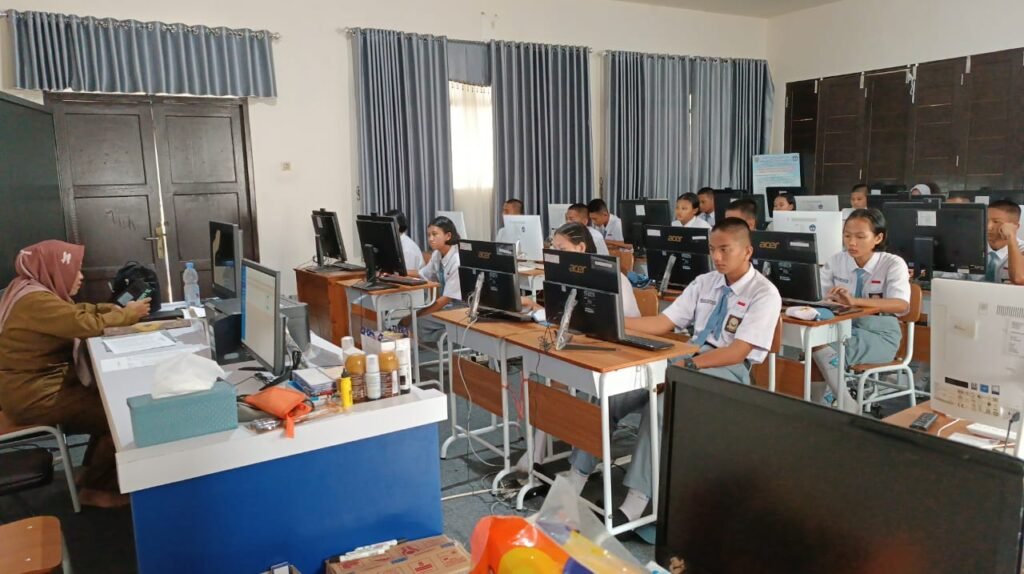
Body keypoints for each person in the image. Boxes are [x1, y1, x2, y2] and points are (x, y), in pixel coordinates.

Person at [573, 219, 781, 527]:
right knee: (610, 393)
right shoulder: (705, 282)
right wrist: (612, 321)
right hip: (686, 357)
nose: (717, 257)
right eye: (712, 249)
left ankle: (636, 503)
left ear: (747, 251)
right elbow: (663, 323)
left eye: (725, 250)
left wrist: (687, 367)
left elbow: (737, 351)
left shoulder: (764, 293)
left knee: (661, 408)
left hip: (728, 370)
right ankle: (576, 477)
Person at [0, 240, 151, 508]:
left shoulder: (29, 289)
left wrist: (111, 309)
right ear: (54, 268)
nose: (80, 276)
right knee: (118, 416)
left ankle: (90, 473)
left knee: (104, 404)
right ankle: (97, 489)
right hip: (35, 397)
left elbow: (75, 312)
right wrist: (127, 315)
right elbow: (83, 324)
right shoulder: (35, 301)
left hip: (30, 389)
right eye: (75, 270)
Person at [519, 222, 640, 481]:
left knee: (564, 378)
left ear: (581, 248)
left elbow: (625, 326)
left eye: (561, 248)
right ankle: (536, 453)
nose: (556, 253)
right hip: (589, 346)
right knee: (553, 378)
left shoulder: (613, 277)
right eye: (554, 248)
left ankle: (574, 457)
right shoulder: (570, 277)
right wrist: (536, 309)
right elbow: (566, 317)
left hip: (620, 353)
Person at [812, 209, 911, 412]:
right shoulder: (837, 261)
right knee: (811, 344)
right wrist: (828, 298)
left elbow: (901, 305)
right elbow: (816, 294)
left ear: (878, 238)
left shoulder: (892, 263)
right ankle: (826, 406)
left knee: (819, 348)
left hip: (881, 333)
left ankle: (838, 405)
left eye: (860, 236)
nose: (852, 243)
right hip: (842, 327)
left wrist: (855, 301)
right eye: (847, 236)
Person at [413, 217, 463, 344]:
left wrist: (419, 314)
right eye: (429, 235)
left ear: (448, 236)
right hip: (449, 306)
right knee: (416, 321)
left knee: (418, 322)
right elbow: (423, 274)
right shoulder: (437, 254)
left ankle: (455, 337)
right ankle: (449, 336)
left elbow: (446, 299)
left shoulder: (457, 260)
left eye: (434, 234)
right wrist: (399, 273)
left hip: (461, 309)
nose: (430, 239)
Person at [984, 199, 1024, 285]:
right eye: (985, 220)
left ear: (1015, 226)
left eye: (996, 222)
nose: (988, 227)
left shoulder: (1022, 249)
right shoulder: (973, 247)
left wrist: (1011, 236)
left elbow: (1019, 278)